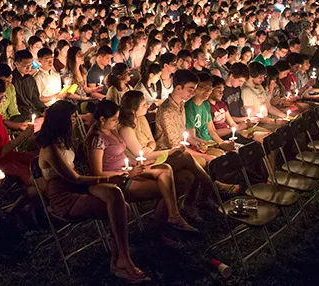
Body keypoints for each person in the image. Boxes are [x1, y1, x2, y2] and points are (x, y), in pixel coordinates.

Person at [37, 101, 150, 282]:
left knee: (115, 194)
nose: (76, 120)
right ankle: (122, 259)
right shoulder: (49, 149)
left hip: (79, 186)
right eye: (72, 117)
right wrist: (107, 178)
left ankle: (120, 259)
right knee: (123, 208)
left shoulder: (64, 142)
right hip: (64, 196)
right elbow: (75, 178)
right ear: (61, 121)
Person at [86, 99, 198, 239]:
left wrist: (140, 162)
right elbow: (97, 173)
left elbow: (120, 156)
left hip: (130, 169)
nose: (117, 122)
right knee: (173, 184)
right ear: (102, 119)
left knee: (175, 172)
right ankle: (166, 225)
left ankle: (171, 217)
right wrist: (127, 173)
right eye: (114, 119)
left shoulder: (112, 130)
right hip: (117, 179)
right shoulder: (97, 139)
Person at [0, 78, 37, 203]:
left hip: (8, 154)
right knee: (24, 170)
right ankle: (34, 194)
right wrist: (22, 137)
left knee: (34, 158)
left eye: (2, 98)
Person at [11, 49, 46, 121]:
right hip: (20, 114)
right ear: (16, 64)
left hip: (33, 111)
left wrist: (44, 108)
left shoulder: (30, 79)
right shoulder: (11, 80)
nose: (28, 68)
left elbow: (35, 98)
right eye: (25, 65)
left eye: (30, 65)